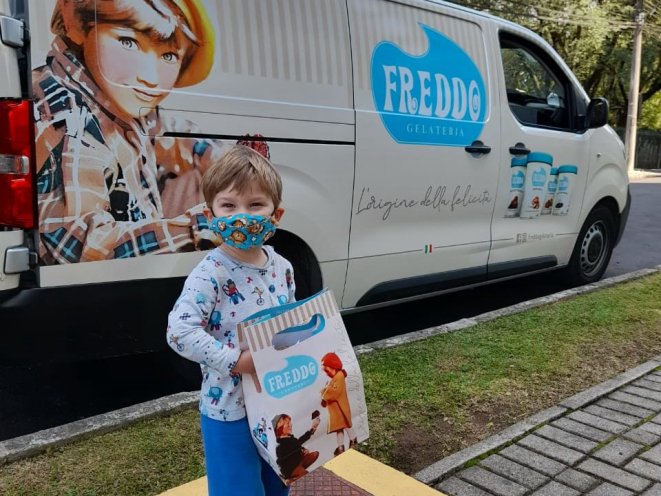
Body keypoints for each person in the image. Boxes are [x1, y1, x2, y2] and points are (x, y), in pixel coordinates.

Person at [33, 0, 225, 264]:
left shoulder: (119, 99)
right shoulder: (70, 119)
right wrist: (201, 226)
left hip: (138, 226)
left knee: (203, 177)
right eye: (128, 42)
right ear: (77, 25)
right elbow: (79, 247)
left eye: (168, 56)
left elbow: (171, 134)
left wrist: (225, 163)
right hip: (92, 290)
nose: (150, 77)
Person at [167, 145, 296, 495]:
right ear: (211, 215)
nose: (243, 215)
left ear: (276, 214)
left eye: (255, 205)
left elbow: (291, 323)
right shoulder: (211, 272)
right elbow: (179, 331)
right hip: (228, 411)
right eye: (229, 205)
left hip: (276, 402)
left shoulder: (282, 267)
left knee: (278, 483)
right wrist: (237, 362)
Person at [320, 352, 357, 456]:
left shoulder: (339, 376)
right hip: (336, 410)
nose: (327, 373)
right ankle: (340, 447)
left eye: (327, 370)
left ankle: (353, 440)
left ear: (333, 366)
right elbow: (330, 389)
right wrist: (327, 389)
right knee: (339, 428)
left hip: (341, 409)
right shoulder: (335, 378)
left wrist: (325, 392)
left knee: (346, 425)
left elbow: (334, 392)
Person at [272, 414, 320, 484]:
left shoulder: (290, 438)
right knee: (307, 476)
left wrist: (303, 450)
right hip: (291, 468)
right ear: (279, 427)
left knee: (315, 454)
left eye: (290, 423)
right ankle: (293, 477)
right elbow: (298, 443)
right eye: (288, 423)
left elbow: (297, 445)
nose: (290, 425)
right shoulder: (280, 444)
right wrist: (312, 429)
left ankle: (299, 471)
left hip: (298, 460)